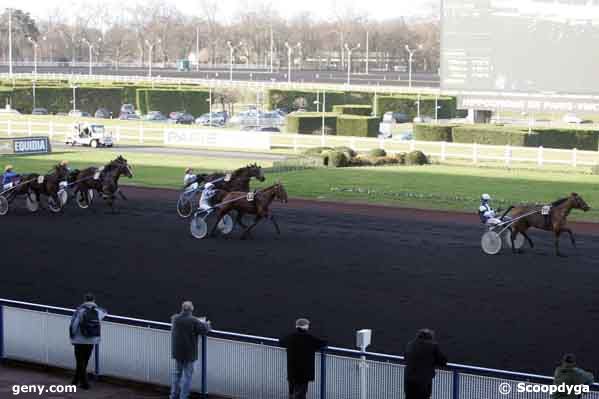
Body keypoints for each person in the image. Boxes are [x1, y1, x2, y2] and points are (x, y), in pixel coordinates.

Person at [170, 301, 212, 399]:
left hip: (177, 352)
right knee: (187, 377)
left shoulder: (175, 318)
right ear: (191, 309)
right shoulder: (194, 321)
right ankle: (183, 397)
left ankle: (173, 395)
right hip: (189, 353)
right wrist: (208, 324)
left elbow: (175, 319)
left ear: (182, 308)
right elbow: (204, 330)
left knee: (177, 375)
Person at [279, 318, 327, 399]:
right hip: (304, 372)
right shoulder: (310, 338)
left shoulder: (290, 337)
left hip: (292, 371)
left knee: (292, 392)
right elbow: (322, 343)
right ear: (305, 326)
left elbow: (281, 342)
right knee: (301, 393)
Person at [69, 293, 107, 390]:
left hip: (79, 340)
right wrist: (96, 306)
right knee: (84, 361)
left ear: (84, 300)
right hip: (92, 339)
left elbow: (74, 325)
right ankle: (75, 381)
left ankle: (85, 383)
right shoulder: (98, 311)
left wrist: (72, 337)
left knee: (80, 361)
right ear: (93, 300)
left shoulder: (80, 310)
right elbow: (105, 312)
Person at [404, 328, 447, 399]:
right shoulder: (433, 346)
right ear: (430, 337)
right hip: (423, 382)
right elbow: (443, 361)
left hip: (409, 381)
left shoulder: (410, 344)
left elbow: (405, 357)